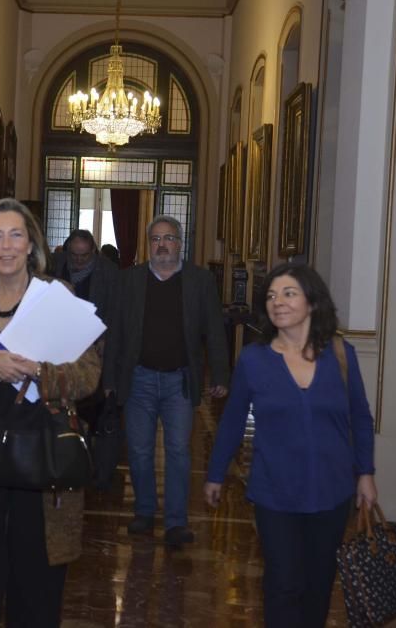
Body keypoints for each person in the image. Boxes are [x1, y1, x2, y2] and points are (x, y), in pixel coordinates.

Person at [0, 198, 101, 627]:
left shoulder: (57, 295)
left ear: (31, 244)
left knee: (38, 575)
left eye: (16, 235)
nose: (6, 246)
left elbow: (88, 376)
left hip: (44, 455)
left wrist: (39, 372)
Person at [204, 262, 377, 628]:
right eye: (270, 296)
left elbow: (360, 418)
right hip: (275, 493)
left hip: (332, 492)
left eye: (288, 293)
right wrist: (216, 473)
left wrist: (366, 473)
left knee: (317, 585)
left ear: (312, 303)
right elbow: (233, 421)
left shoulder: (341, 355)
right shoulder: (254, 359)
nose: (277, 302)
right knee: (283, 583)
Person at [108, 215, 229, 546]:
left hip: (180, 381)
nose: (162, 245)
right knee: (139, 449)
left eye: (169, 238)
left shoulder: (199, 281)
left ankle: (176, 522)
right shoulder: (130, 280)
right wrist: (109, 377)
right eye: (156, 239)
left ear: (180, 244)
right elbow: (116, 330)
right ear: (149, 245)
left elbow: (214, 331)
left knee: (178, 451)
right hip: (138, 379)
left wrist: (219, 374)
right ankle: (144, 512)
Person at [50, 229, 120, 489]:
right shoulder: (55, 267)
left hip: (94, 354)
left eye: (84, 256)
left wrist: (104, 344)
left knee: (93, 411)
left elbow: (114, 315)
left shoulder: (108, 273)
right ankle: (66, 461)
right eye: (74, 256)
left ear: (94, 253)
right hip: (58, 352)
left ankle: (94, 470)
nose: (78, 262)